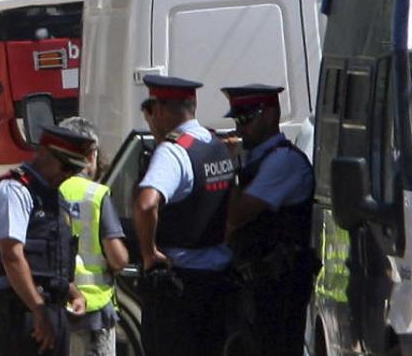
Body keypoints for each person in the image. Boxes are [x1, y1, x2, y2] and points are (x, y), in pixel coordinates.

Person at [133, 75, 237, 356]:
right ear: (193, 104)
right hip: (218, 279)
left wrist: (148, 253)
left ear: (160, 109)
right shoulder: (215, 144)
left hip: (181, 286)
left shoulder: (173, 151)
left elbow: (146, 204)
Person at [220, 84, 318, 356]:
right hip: (256, 283)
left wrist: (224, 166)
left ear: (270, 115)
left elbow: (238, 213)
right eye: (237, 120)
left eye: (246, 119)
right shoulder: (257, 160)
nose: (240, 128)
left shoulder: (282, 161)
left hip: (280, 283)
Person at [0, 125, 92, 356]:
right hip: (22, 309)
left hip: (50, 308)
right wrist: (37, 309)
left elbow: (52, 255)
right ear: (43, 152)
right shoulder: (14, 191)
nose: (68, 174)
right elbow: (11, 256)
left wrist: (72, 292)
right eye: (65, 166)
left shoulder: (53, 196)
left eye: (74, 169)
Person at [57, 117, 129, 356]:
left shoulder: (50, 190)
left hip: (56, 305)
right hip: (93, 309)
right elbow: (117, 258)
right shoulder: (96, 194)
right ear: (91, 154)